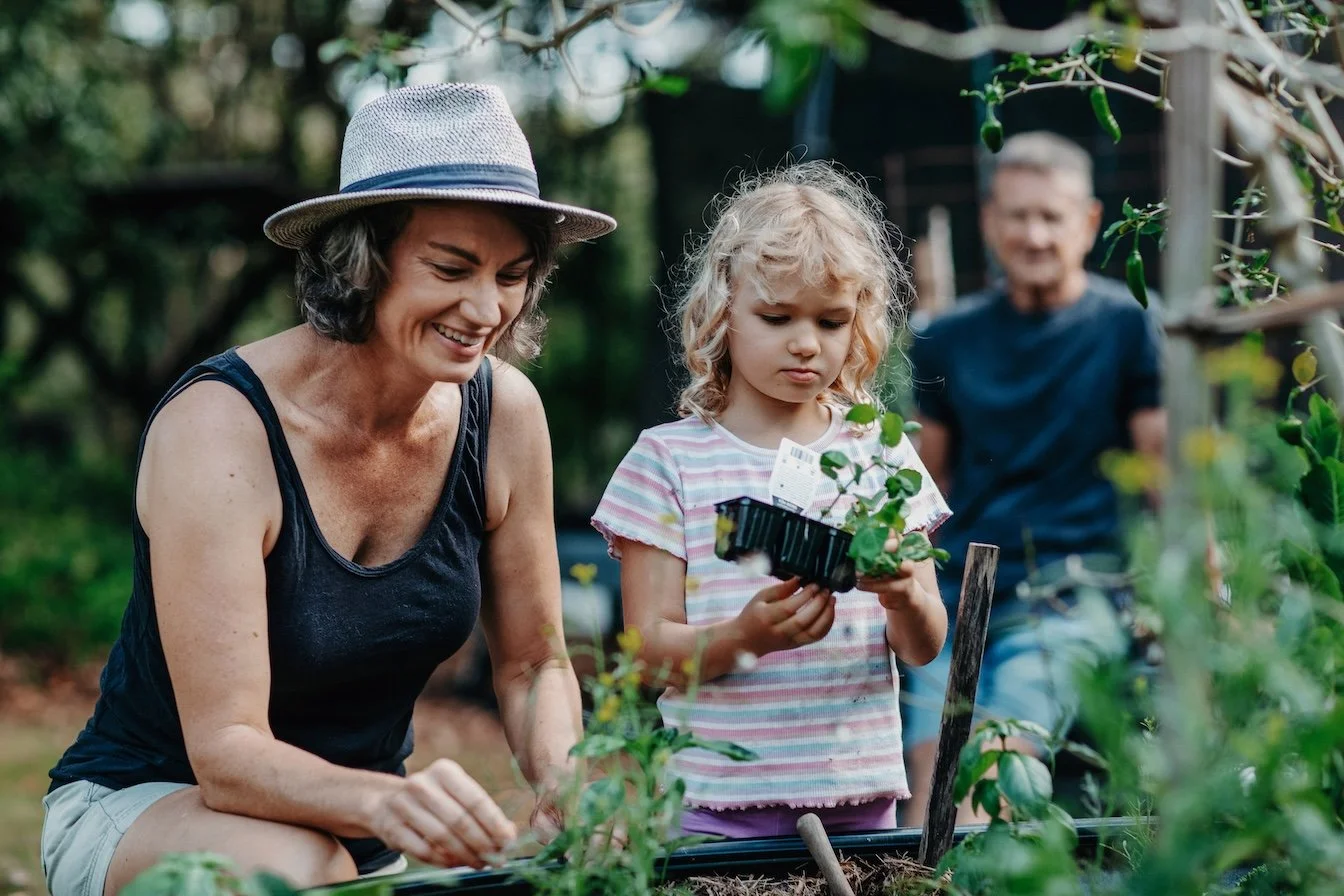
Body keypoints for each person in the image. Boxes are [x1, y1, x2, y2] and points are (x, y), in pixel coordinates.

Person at [40, 83, 618, 896]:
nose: (488, 307)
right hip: (153, 803)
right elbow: (228, 754)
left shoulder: (505, 414)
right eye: (451, 267)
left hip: (352, 841)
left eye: (513, 275)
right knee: (307, 871)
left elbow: (531, 665)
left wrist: (568, 790)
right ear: (363, 259)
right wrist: (390, 804)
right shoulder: (220, 429)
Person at [591, 162, 951, 839]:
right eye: (777, 315)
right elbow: (645, 649)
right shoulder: (668, 461)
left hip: (861, 805)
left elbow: (924, 644)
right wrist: (742, 638)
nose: (807, 342)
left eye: (832, 320)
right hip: (714, 811)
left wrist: (904, 594)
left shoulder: (880, 454)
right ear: (723, 310)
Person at [901, 131, 1166, 825]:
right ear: (989, 222)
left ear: (1088, 221)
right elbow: (926, 481)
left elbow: (1164, 473)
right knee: (927, 759)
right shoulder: (945, 336)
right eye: (1017, 215)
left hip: (1074, 589)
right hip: (958, 589)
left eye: (1052, 216)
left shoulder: (1129, 325)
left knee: (1002, 754)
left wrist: (1192, 586)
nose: (1035, 233)